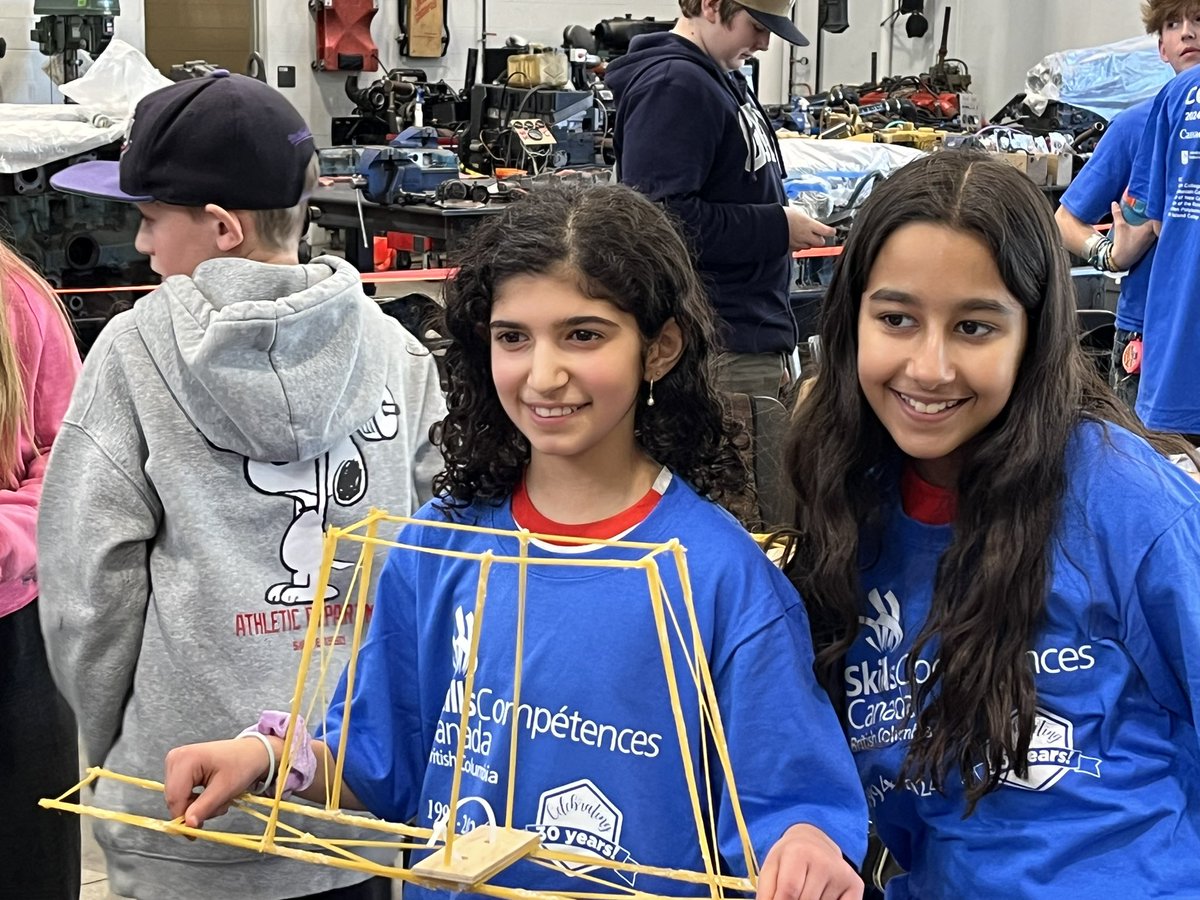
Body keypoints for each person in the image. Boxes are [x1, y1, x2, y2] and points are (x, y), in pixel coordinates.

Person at [161, 182, 869, 900]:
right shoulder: (440, 544)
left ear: (659, 350)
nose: (543, 374)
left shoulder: (721, 580)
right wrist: (267, 756)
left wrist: (807, 843)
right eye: (513, 338)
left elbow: (790, 798)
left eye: (583, 334)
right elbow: (377, 758)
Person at [37, 71, 446, 900]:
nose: (144, 247)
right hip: (352, 798)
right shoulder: (398, 352)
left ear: (220, 228)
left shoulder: (132, 354)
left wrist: (118, 749)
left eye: (150, 219)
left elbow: (88, 596)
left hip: (184, 807)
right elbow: (436, 568)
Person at [784, 152, 1200, 898]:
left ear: (1032, 336)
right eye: (897, 319)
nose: (930, 366)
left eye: (975, 326)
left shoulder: (1126, 501)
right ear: (849, 324)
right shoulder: (849, 507)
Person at [605, 0, 834, 400]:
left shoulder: (722, 77)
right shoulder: (674, 85)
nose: (764, 43)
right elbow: (660, 222)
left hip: (745, 335)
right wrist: (776, 227)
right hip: (716, 344)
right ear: (711, 6)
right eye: (756, 26)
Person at [1054, 0, 1200, 410]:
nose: (1187, 32)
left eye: (1199, 20)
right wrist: (1110, 254)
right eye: (1173, 25)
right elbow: (1065, 219)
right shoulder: (1135, 126)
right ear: (1161, 48)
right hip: (1148, 331)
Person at [0, 242, 81, 899]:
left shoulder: (20, 299)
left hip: (15, 642)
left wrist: (9, 536)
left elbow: (68, 449)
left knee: (30, 869)